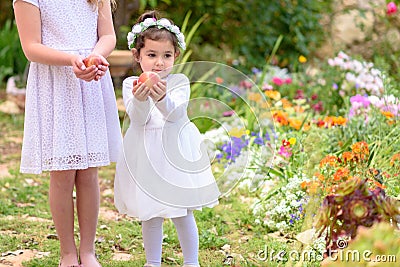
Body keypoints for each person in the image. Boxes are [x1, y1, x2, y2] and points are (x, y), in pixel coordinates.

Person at [13, 0, 122, 266]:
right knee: (62, 173)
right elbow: (31, 47)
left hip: (90, 83)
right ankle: (67, 253)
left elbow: (107, 35)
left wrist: (95, 56)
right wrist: (71, 59)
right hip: (56, 85)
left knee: (89, 172)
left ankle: (87, 251)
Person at [114, 11, 220, 267]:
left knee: (182, 212)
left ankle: (191, 261)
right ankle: (152, 262)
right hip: (146, 155)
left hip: (174, 155)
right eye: (151, 55)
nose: (159, 63)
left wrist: (161, 98)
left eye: (166, 56)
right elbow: (138, 119)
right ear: (138, 56)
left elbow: (176, 115)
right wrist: (141, 98)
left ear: (176, 57)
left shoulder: (179, 81)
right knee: (150, 213)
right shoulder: (131, 85)